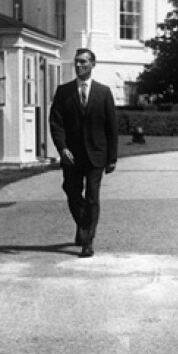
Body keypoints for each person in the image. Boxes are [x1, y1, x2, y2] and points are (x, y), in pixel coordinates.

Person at [49, 48, 118, 258]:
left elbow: (111, 128)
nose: (79, 66)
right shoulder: (64, 91)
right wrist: (62, 148)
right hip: (72, 156)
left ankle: (88, 240)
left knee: (92, 198)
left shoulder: (104, 93)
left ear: (93, 64)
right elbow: (56, 123)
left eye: (83, 62)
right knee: (71, 192)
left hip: (96, 155)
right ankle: (82, 224)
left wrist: (112, 158)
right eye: (77, 62)